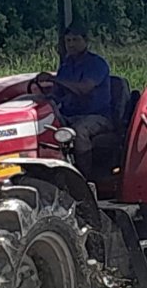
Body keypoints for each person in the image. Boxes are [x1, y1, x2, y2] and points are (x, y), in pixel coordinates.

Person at [36, 25, 112, 178]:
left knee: (79, 132)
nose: (71, 44)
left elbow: (84, 89)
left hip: (97, 115)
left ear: (86, 41)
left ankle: (86, 178)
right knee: (45, 127)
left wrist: (54, 79)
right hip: (70, 114)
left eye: (75, 40)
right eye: (68, 40)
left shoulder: (97, 64)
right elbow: (58, 94)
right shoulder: (66, 66)